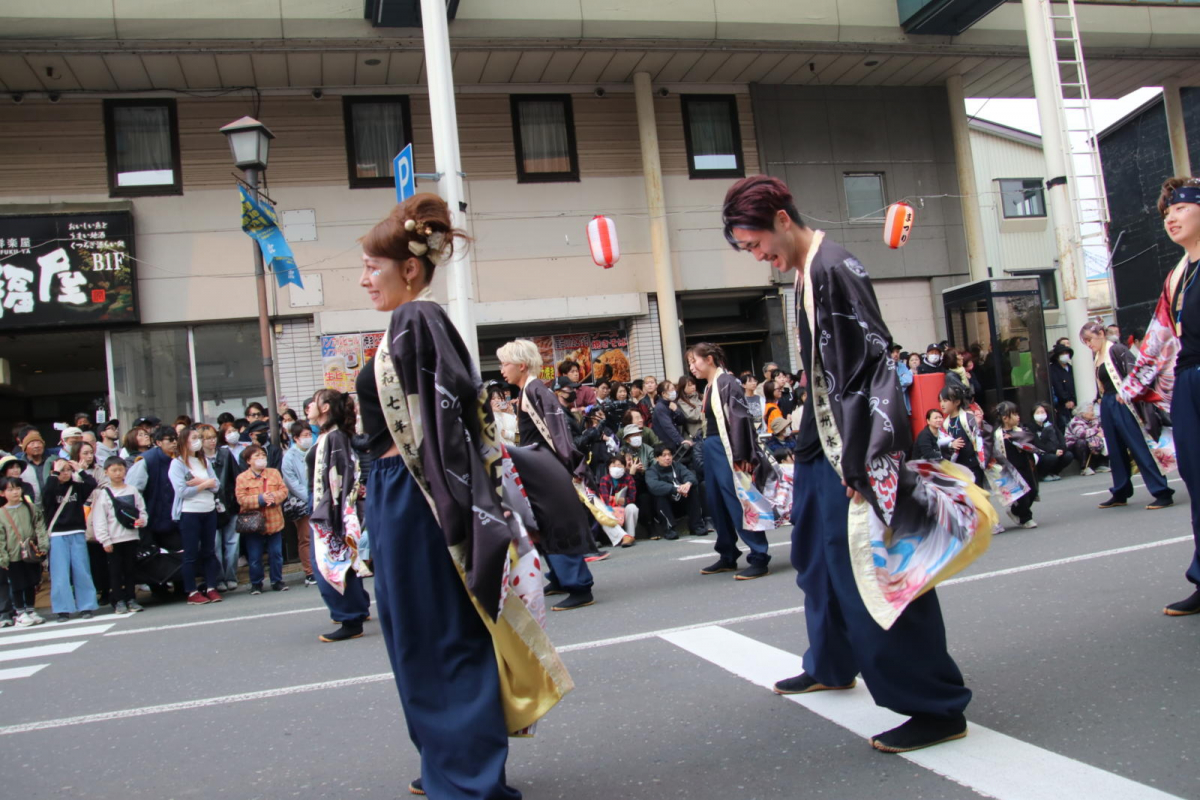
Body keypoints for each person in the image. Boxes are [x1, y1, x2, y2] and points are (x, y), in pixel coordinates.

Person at [723, 174, 979, 753]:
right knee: (817, 564)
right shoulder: (806, 272)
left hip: (855, 448)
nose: (757, 255)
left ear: (782, 219)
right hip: (823, 443)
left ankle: (936, 705)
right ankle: (831, 661)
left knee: (876, 573)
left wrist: (866, 463)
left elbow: (873, 369)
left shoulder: (834, 268)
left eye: (755, 243)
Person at [362, 196, 570, 796]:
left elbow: (450, 432)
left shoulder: (417, 321)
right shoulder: (407, 324)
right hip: (398, 493)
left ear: (407, 268)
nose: (363, 277)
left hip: (419, 499)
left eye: (373, 266)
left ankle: (467, 776)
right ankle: (449, 764)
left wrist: (463, 516)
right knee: (418, 635)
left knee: (438, 634)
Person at [1120, 176, 1200, 615]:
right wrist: (1127, 391)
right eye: (1167, 212)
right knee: (1196, 478)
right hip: (1189, 381)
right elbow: (1158, 339)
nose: (1171, 217)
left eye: (1181, 208)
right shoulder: (1176, 277)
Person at [499, 339, 598, 611]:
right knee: (540, 523)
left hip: (545, 465)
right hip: (534, 464)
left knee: (556, 522)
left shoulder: (535, 390)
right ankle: (558, 577)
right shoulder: (528, 391)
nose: (501, 369)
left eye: (505, 363)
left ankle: (579, 585)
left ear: (521, 365)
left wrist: (572, 466)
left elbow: (558, 433)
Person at [688, 343, 775, 580]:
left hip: (727, 448)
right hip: (712, 446)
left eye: (693, 362)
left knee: (738, 501)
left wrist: (743, 455)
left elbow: (740, 421)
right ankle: (727, 554)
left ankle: (759, 556)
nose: (692, 367)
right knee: (716, 502)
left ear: (708, 359)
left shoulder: (727, 382)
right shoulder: (710, 385)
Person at [1081, 320, 1175, 511]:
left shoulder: (1116, 350)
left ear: (1101, 334)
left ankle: (1161, 491)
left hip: (1123, 403)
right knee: (1115, 450)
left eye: (1089, 339)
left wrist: (1127, 392)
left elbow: (1135, 374)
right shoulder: (1098, 355)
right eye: (1086, 342)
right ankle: (1120, 491)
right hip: (1108, 403)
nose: (1089, 344)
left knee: (1138, 446)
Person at [305, 388, 371, 640]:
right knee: (342, 559)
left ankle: (350, 617)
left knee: (327, 563)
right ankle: (356, 609)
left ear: (325, 408)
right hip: (330, 504)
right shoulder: (330, 435)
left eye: (314, 401)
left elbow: (340, 478)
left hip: (330, 506)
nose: (309, 405)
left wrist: (334, 513)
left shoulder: (334, 437)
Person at [169, 426, 223, 605]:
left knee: (209, 550)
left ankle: (211, 587)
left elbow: (217, 485)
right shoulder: (177, 464)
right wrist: (205, 484)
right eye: (194, 438)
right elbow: (183, 491)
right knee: (191, 552)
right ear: (184, 441)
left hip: (209, 510)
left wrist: (202, 482)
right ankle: (191, 591)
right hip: (190, 512)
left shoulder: (204, 461)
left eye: (199, 438)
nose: (198, 441)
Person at [43, 454, 99, 622]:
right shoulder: (51, 487)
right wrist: (54, 473)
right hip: (58, 534)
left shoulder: (76, 487)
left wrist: (79, 470)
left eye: (68, 470)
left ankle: (86, 605)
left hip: (77, 531)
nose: (65, 473)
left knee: (82, 570)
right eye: (62, 471)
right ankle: (62, 609)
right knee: (60, 573)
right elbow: (46, 496)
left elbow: (92, 484)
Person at [92, 456, 148, 614]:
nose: (117, 473)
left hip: (131, 536)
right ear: (106, 472)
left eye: (121, 470)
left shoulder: (132, 490)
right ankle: (118, 600)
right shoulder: (103, 493)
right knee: (115, 572)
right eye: (114, 470)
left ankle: (131, 598)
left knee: (130, 570)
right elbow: (100, 519)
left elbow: (141, 509)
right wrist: (104, 540)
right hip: (114, 539)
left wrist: (142, 521)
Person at [234, 442, 289, 596]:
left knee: (276, 553)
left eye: (263, 455)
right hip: (254, 523)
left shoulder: (274, 473)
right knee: (255, 555)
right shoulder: (242, 478)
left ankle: (277, 580)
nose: (261, 458)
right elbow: (241, 499)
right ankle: (256, 583)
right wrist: (260, 499)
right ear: (248, 461)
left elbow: (283, 491)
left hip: (274, 520)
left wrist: (273, 497)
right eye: (256, 455)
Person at [0, 477, 49, 627]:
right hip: (12, 554)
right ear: (2, 493)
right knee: (17, 584)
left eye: (17, 488)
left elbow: (39, 527)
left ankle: (30, 609)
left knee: (31, 582)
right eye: (10, 489)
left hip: (30, 552)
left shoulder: (30, 507)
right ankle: (20, 612)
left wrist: (42, 545)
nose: (15, 492)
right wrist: (3, 557)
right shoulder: (1, 513)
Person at [126, 426, 182, 557]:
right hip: (150, 516)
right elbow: (133, 491)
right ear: (158, 442)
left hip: (174, 517)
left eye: (176, 439)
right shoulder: (146, 460)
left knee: (179, 553)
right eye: (170, 440)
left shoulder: (180, 458)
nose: (175, 442)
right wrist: (139, 514)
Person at [281, 420, 316, 587]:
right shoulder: (289, 456)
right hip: (302, 502)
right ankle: (309, 571)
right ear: (295, 438)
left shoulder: (315, 450)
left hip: (319, 497)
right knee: (306, 537)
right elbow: (291, 483)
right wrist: (309, 497)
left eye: (310, 435)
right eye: (304, 436)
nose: (308, 438)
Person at [645, 444, 705, 540]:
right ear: (657, 458)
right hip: (665, 506)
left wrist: (687, 484)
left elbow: (690, 476)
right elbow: (654, 485)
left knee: (692, 489)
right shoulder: (652, 471)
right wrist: (676, 489)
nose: (668, 458)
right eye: (664, 455)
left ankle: (697, 526)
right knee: (660, 495)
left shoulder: (677, 466)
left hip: (681, 502)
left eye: (669, 455)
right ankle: (669, 529)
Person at [995, 402, 1038, 530]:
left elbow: (1031, 441)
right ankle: (1026, 518)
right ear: (1005, 418)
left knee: (1032, 491)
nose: (1018, 417)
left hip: (1025, 464)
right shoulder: (997, 435)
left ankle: (1015, 510)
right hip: (1009, 469)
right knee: (1022, 494)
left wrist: (1015, 438)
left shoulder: (1021, 430)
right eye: (1014, 414)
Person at [598, 455, 638, 547]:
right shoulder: (604, 479)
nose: (616, 468)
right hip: (611, 509)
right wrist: (613, 502)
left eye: (619, 465)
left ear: (624, 467)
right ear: (608, 467)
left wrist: (622, 501)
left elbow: (632, 498)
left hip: (624, 507)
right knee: (603, 513)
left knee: (632, 508)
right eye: (613, 465)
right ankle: (623, 537)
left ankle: (630, 535)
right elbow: (605, 499)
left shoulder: (629, 478)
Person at [1030, 401, 1073, 481]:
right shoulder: (1031, 428)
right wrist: (1053, 451)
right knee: (1051, 457)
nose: (1040, 414)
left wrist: (1062, 449)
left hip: (1055, 450)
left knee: (1068, 455)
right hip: (1042, 453)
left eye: (1042, 412)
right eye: (1038, 412)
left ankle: (1054, 472)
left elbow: (1061, 438)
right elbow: (1037, 443)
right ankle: (1042, 474)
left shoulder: (1051, 425)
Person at [1065, 402, 1108, 475]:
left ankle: (1101, 464)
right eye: (1091, 410)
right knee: (1082, 442)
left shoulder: (1094, 420)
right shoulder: (1075, 421)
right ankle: (1084, 467)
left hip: (1090, 443)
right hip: (1074, 446)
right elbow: (1082, 434)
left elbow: (1100, 431)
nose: (1093, 413)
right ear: (1083, 413)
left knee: (1102, 439)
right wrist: (1096, 431)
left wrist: (1100, 433)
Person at [651, 379, 692, 453]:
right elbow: (668, 426)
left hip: (674, 442)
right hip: (667, 444)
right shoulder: (660, 407)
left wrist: (676, 410)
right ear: (664, 393)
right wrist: (681, 440)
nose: (674, 391)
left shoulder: (671, 404)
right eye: (672, 389)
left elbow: (681, 421)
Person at [1048, 343, 1077, 431]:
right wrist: (1066, 400)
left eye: (1066, 353)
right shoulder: (1053, 369)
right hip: (1062, 405)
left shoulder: (1071, 368)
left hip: (1074, 403)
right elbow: (1058, 387)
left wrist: (1073, 400)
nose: (1065, 355)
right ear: (1057, 356)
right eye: (1062, 354)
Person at [20, 430, 53, 504]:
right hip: (31, 506)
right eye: (32, 443)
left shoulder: (52, 462)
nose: (36, 446)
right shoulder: (20, 466)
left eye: (39, 443)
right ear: (25, 448)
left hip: (52, 506)